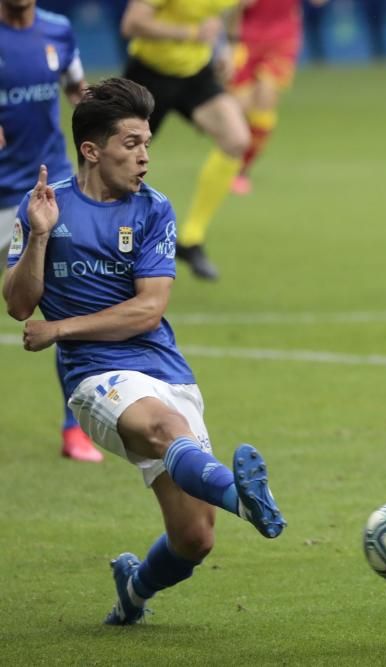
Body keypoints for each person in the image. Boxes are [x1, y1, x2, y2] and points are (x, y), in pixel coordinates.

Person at [3, 77, 286, 625]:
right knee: (164, 429)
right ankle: (242, 498)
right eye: (131, 144)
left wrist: (59, 329)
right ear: (92, 150)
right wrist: (38, 237)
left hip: (164, 368)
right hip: (95, 378)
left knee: (194, 539)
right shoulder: (43, 208)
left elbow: (148, 311)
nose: (144, 158)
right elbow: (18, 306)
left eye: (147, 145)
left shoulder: (154, 210)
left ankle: (132, 593)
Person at [0, 0, 103, 462]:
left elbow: (77, 92)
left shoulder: (59, 31)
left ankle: (74, 427)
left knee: (68, 304)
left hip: (48, 185)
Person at [120, 0, 251, 280]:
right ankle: (106, 246)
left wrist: (227, 48)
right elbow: (132, 23)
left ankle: (191, 239)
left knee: (237, 139)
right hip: (149, 74)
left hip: (196, 74)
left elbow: (229, 13)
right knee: (120, 165)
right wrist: (191, 34)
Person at [229, 0, 328, 196]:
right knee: (241, 106)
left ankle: (242, 170)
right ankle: (229, 157)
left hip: (283, 38)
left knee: (266, 99)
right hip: (246, 37)